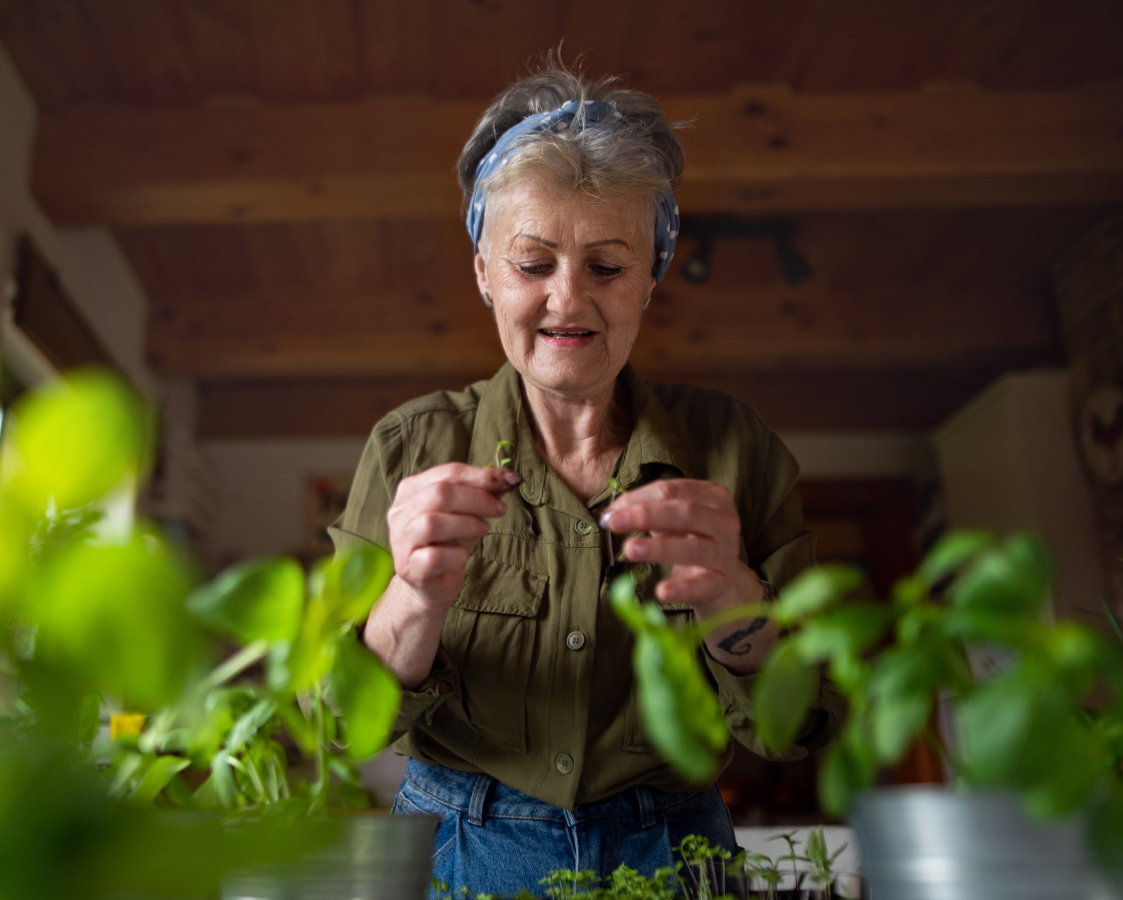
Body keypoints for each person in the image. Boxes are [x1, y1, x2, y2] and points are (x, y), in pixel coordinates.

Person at [329, 57, 839, 898]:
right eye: (533, 265)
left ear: (649, 279)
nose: (569, 300)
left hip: (676, 851)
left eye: (606, 267)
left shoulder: (735, 447)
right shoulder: (408, 446)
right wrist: (413, 597)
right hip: (459, 847)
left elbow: (802, 725)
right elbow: (337, 725)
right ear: (485, 273)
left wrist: (732, 599)